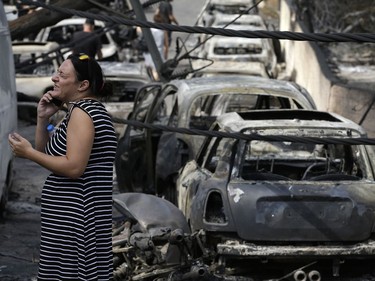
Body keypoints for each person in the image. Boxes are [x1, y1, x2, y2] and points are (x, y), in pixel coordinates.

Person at [8, 53, 117, 280]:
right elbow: (47, 153)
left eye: (62, 74)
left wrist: (28, 153)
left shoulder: (82, 113)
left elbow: (74, 168)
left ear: (82, 85)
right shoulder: (82, 112)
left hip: (76, 220)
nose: (54, 78)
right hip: (73, 218)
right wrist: (43, 119)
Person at [140, 12, 169, 81]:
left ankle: (150, 81)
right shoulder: (163, 31)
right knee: (156, 71)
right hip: (158, 52)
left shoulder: (149, 29)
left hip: (148, 52)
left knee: (149, 69)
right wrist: (165, 55)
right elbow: (166, 45)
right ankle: (154, 83)